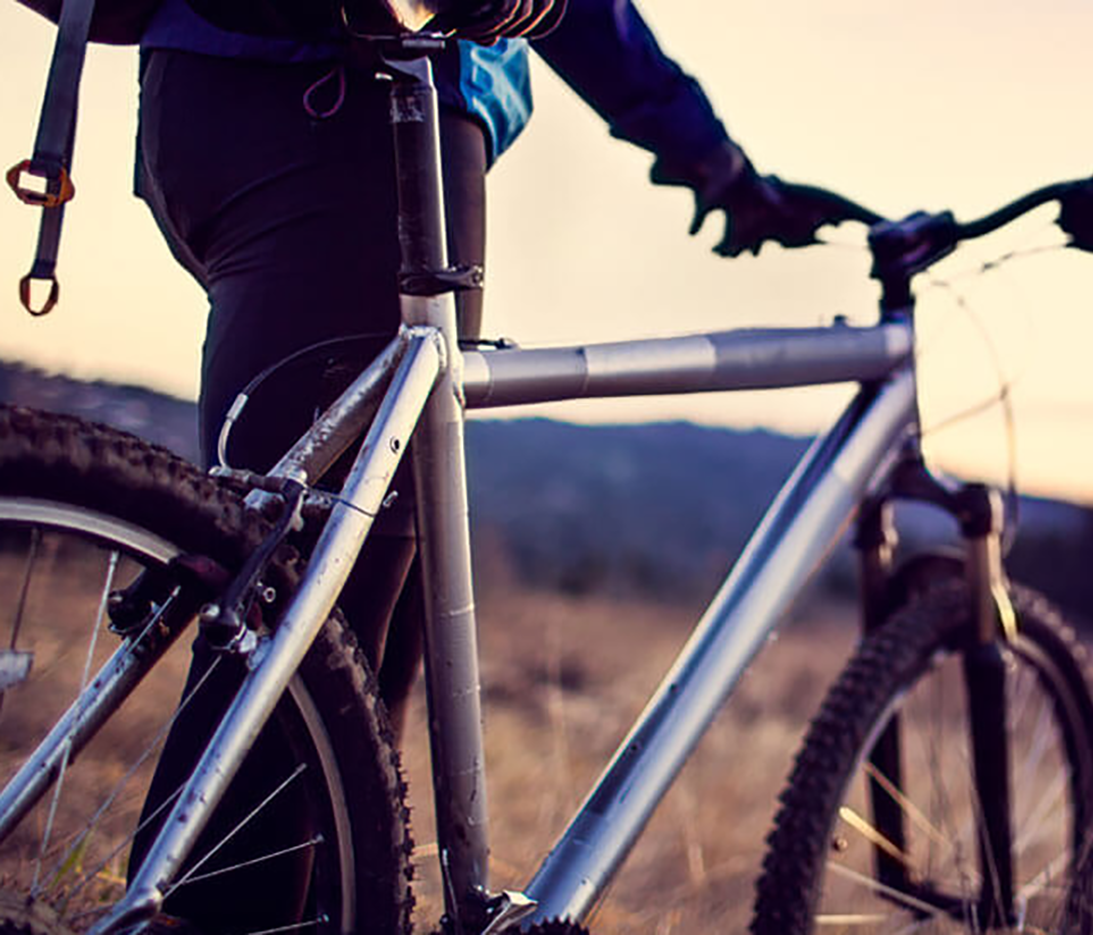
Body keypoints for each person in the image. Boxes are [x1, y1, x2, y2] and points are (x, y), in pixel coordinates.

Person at [127, 1, 850, 927]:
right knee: (323, 612)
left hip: (220, 103)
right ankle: (209, 914)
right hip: (358, 102)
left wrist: (710, 158)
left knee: (342, 590)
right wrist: (712, 158)